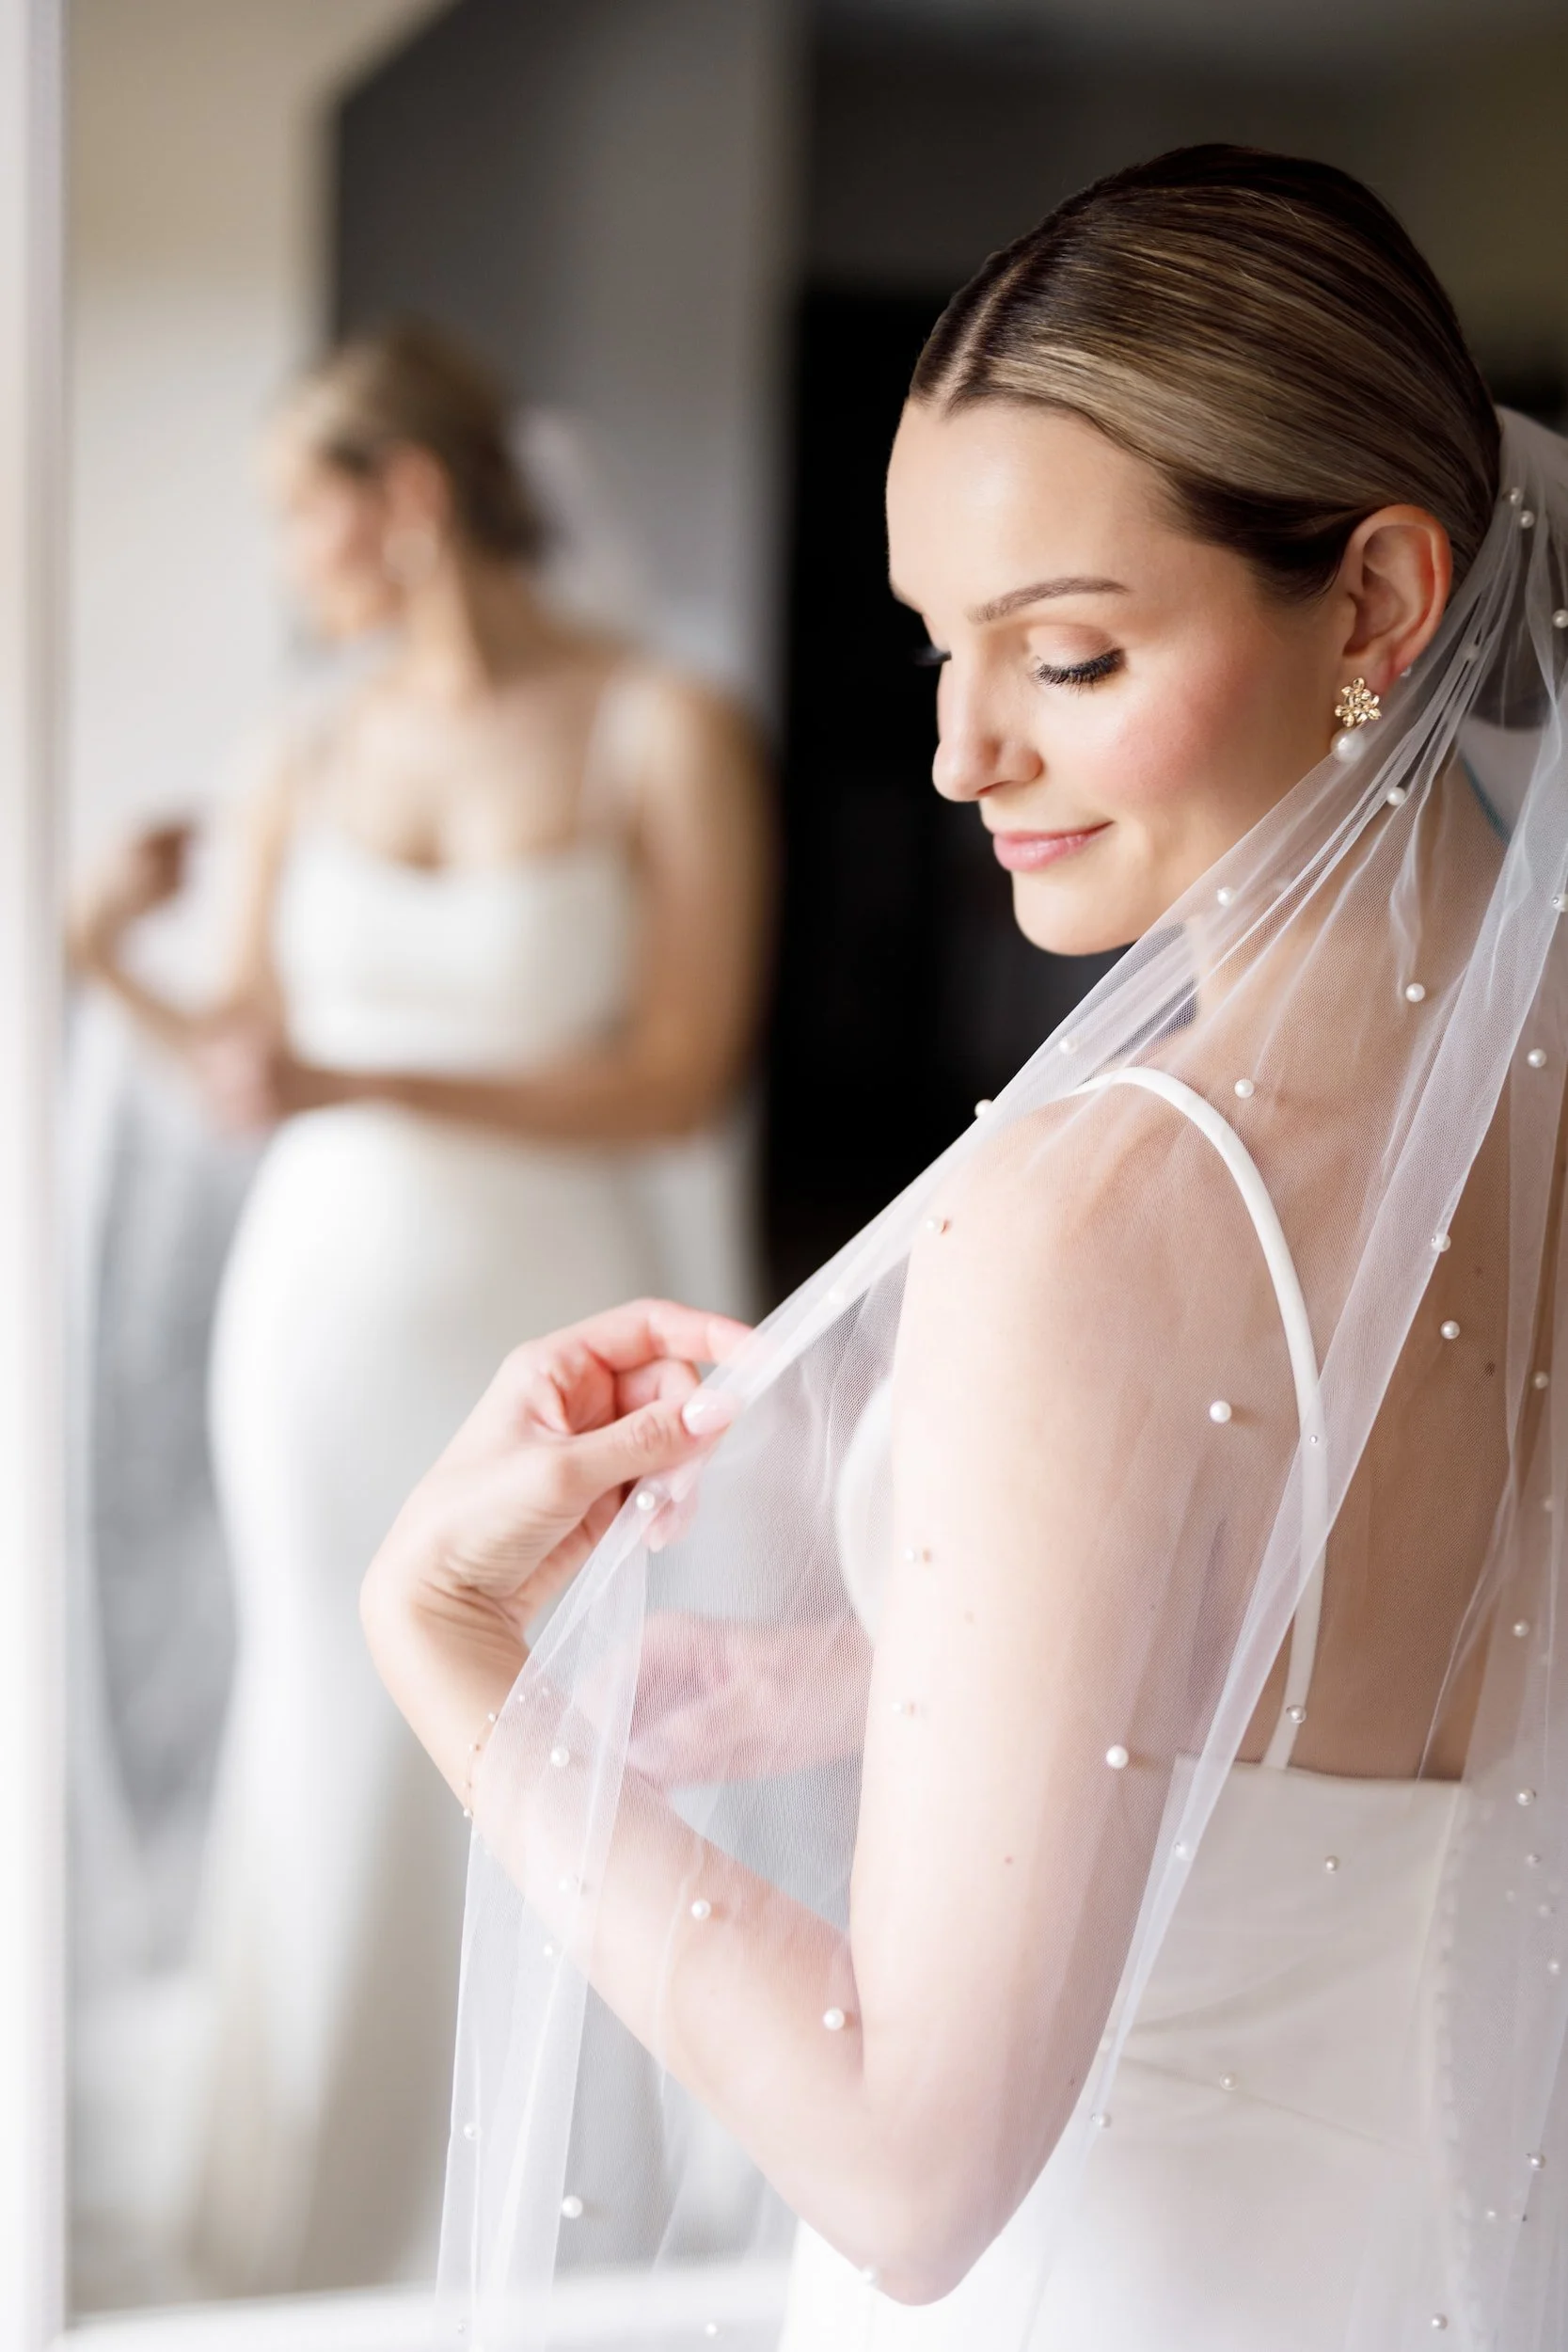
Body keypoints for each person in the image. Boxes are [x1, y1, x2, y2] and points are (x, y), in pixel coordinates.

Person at [366, 150, 1568, 2348]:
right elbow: (1428, 1679)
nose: (955, 749)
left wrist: (450, 1647)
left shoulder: (1105, 1210)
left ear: (1380, 606)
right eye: (941, 646)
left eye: (1070, 653)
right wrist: (895, 1680)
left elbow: (908, 2162)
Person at [69, 321, 771, 2294]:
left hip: (548, 1302)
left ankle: (546, 2196)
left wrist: (366, 1079)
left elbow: (676, 1069)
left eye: (302, 512)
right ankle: (315, 2197)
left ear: (404, 498)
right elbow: (242, 1054)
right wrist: (97, 948)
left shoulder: (660, 725)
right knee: (336, 1693)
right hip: (319, 1301)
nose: (288, 564)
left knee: (565, 1705)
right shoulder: (300, 744)